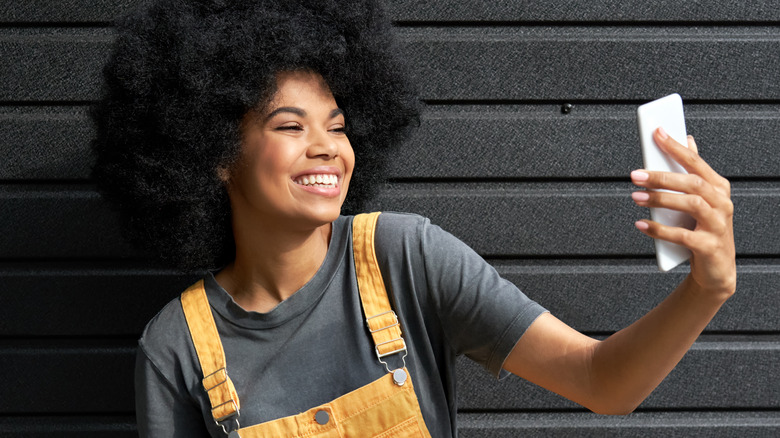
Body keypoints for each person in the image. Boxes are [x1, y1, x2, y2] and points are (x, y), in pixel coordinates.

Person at [91, 0, 736, 437]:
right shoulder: (174, 348)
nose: (327, 147)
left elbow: (604, 381)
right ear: (213, 155)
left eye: (338, 126)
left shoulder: (403, 257)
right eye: (290, 125)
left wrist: (705, 289)